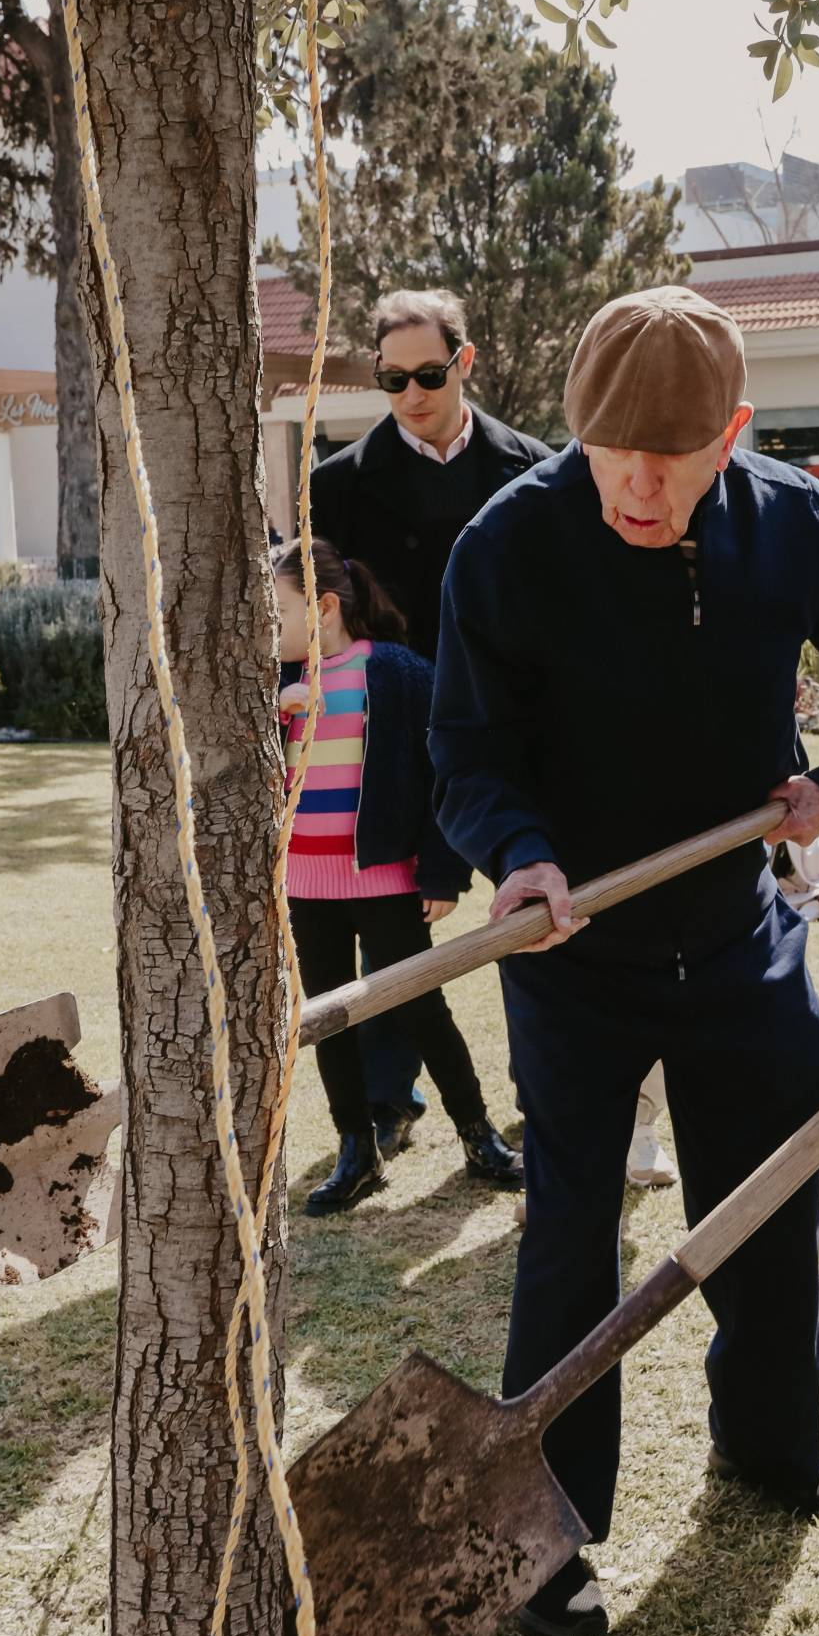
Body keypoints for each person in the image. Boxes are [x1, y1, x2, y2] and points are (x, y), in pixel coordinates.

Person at [431, 285, 819, 1636]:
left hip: (739, 929)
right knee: (574, 1234)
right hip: (575, 947)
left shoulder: (796, 523)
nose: (634, 483)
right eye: (607, 452)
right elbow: (467, 753)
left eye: (670, 459)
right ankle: (549, 1537)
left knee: (767, 1204)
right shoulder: (508, 544)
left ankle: (769, 1446)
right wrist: (516, 853)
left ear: (731, 435)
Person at [308, 288, 553, 1159]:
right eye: (392, 378)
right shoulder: (333, 488)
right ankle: (387, 1101)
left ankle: (548, 1085)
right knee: (390, 921)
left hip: (520, 729)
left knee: (540, 900)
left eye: (428, 373)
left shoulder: (537, 468)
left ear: (465, 361)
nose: (412, 392)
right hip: (393, 737)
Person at [274, 539, 520, 1210]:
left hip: (386, 884)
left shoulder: (398, 674)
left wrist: (443, 876)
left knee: (422, 1008)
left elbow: (442, 779)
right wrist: (279, 711)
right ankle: (357, 1150)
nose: (271, 629)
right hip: (305, 888)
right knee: (326, 1019)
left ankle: (478, 1133)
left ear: (324, 608)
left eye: (280, 612)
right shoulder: (275, 687)